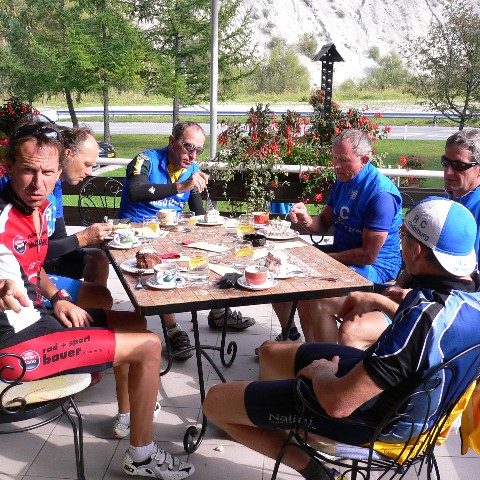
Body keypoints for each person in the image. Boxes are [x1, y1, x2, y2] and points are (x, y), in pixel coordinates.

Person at [203, 197, 480, 480]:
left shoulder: (420, 323)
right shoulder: (468, 298)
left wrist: (321, 372)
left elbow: (338, 404)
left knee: (213, 402)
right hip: (408, 400)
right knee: (270, 352)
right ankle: (271, 417)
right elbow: (432, 336)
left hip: (376, 423)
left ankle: (317, 470)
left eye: (404, 235)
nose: (401, 241)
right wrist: (380, 301)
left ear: (417, 250)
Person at [0, 123, 194, 479]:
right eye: (28, 170)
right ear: (9, 167)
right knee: (149, 346)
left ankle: (127, 418)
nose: (37, 183)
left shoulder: (35, 207)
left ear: (58, 170)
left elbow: (33, 264)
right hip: (12, 349)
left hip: (40, 320)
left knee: (134, 323)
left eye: (47, 173)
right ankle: (142, 456)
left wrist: (58, 297)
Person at [119, 121, 255, 359]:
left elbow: (198, 213)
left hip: (170, 231)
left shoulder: (192, 169)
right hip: (137, 231)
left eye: (198, 151)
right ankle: (173, 330)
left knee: (211, 251)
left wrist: (213, 229)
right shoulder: (145, 160)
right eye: (188, 147)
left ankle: (217, 311)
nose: (192, 156)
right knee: (158, 264)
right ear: (172, 141)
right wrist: (181, 186)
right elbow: (136, 190)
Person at [339, 128, 480, 350]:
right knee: (328, 304)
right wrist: (399, 285)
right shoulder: (445, 203)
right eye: (445, 162)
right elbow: (418, 258)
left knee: (352, 330)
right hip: (417, 294)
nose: (448, 171)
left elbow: (467, 287)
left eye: (459, 165)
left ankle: (353, 370)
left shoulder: (472, 211)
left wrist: (407, 297)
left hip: (446, 312)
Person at [272, 129, 402, 343]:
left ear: (364, 159)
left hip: (377, 268)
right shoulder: (344, 181)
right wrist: (306, 218)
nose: (336, 166)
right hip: (345, 255)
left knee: (314, 294)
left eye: (343, 160)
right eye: (334, 158)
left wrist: (324, 260)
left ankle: (326, 355)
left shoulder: (381, 195)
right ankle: (305, 344)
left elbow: (368, 255)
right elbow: (322, 224)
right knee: (284, 264)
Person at [0, 124, 113, 310]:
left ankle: (83, 316)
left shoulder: (55, 187)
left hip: (45, 262)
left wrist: (86, 238)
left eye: (48, 172)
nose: (90, 172)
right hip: (24, 271)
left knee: (98, 259)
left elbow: (58, 237)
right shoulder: (20, 192)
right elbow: (29, 250)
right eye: (87, 164)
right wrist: (83, 237)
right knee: (101, 298)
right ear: (67, 155)